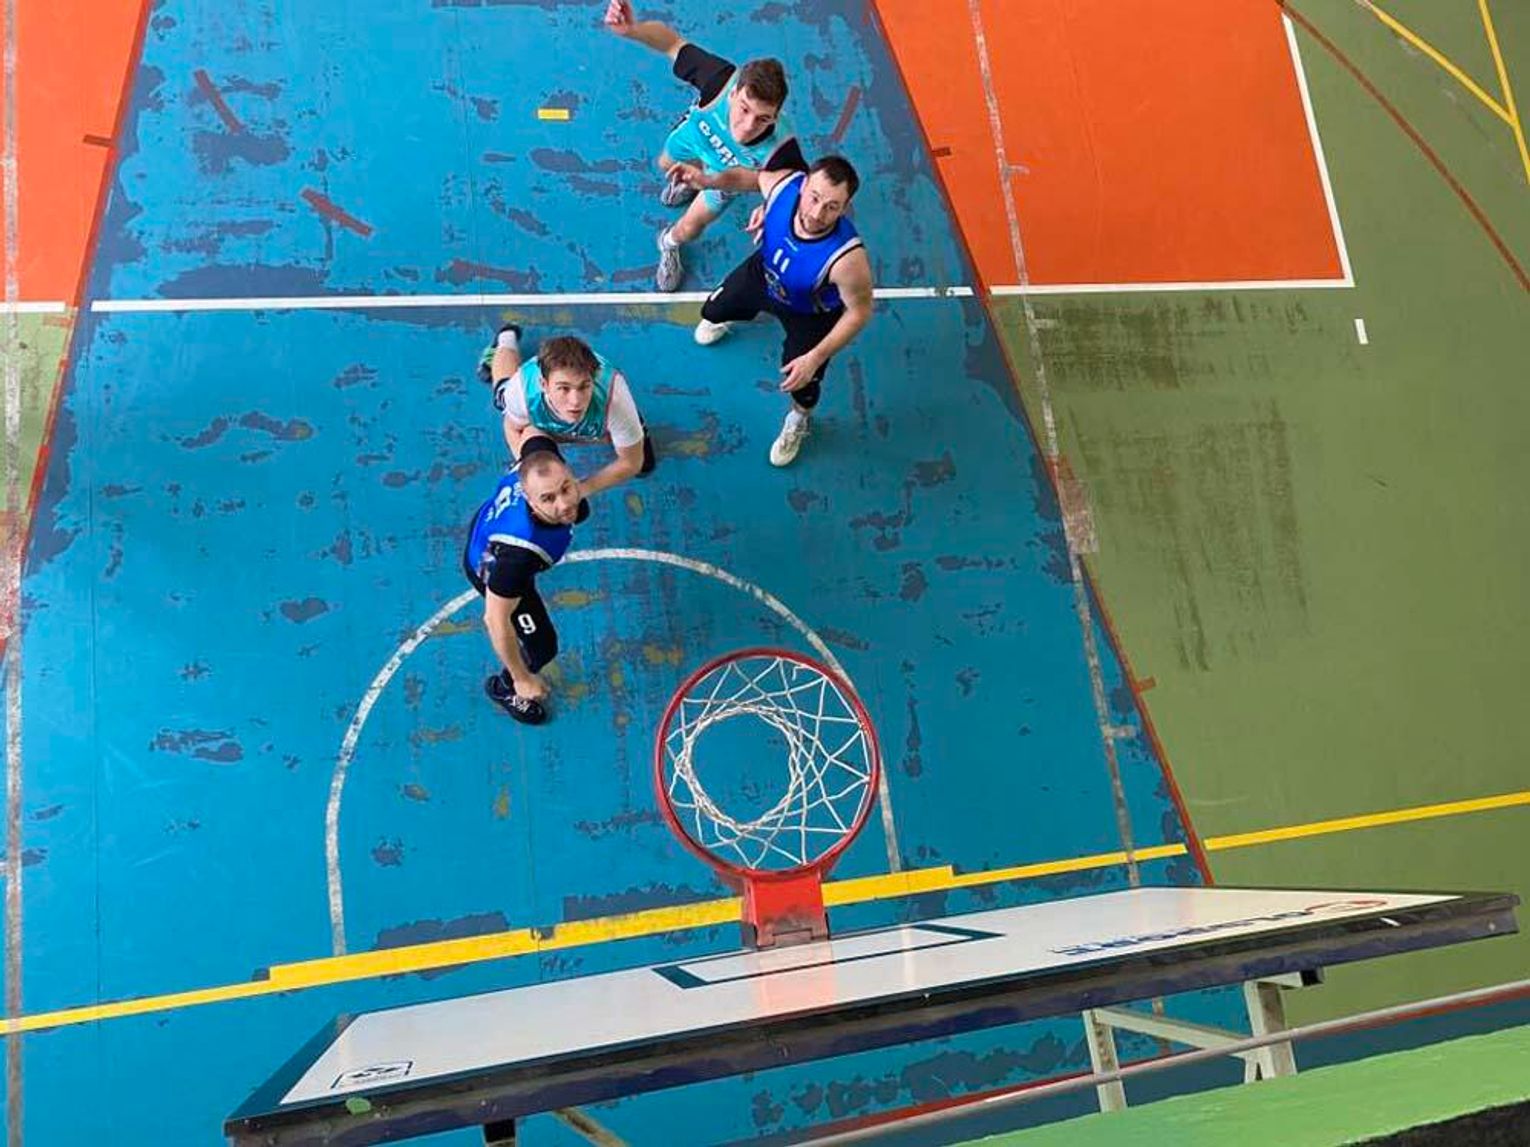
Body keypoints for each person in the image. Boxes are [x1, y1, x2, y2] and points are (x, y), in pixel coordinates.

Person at [678, 145, 874, 466]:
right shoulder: (784, 185)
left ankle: (799, 419)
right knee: (712, 312)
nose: (816, 214)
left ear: (845, 207)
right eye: (814, 197)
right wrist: (708, 181)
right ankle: (731, 316)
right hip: (763, 276)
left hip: (809, 314)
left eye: (832, 207)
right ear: (803, 184)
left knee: (802, 385)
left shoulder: (848, 260)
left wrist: (814, 358)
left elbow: (860, 312)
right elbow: (748, 178)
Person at [603, 0, 796, 292]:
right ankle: (687, 181)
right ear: (733, 94)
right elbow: (672, 43)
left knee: (691, 227)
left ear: (777, 115)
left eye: (763, 118)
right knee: (664, 164)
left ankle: (668, 242)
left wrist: (770, 206)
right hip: (694, 139)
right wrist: (633, 30)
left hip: (727, 176)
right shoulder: (718, 79)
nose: (747, 127)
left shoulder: (782, 149)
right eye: (744, 109)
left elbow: (794, 188)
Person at [462, 439, 587, 725]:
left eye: (566, 488)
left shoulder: (539, 455)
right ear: (530, 500)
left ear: (567, 470)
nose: (565, 503)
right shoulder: (519, 558)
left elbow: (529, 431)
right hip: (490, 565)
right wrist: (522, 678)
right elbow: (495, 619)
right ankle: (505, 688)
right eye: (548, 499)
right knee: (542, 646)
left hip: (489, 524)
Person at [478, 324, 655, 497]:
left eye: (584, 386)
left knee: (643, 463)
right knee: (503, 396)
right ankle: (505, 339)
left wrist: (579, 491)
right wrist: (528, 472)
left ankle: (634, 426)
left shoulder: (614, 399)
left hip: (601, 423)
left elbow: (631, 463)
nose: (575, 401)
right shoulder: (521, 392)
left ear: (593, 380)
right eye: (564, 388)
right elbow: (512, 427)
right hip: (544, 426)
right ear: (544, 385)